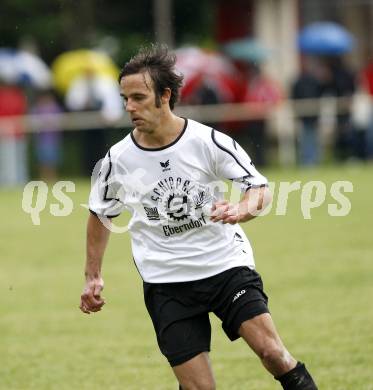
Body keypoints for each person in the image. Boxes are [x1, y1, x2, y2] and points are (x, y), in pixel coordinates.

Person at [79, 45, 317, 390]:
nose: (129, 107)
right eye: (124, 98)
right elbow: (100, 215)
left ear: (165, 95)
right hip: (166, 281)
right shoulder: (118, 159)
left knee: (273, 354)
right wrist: (92, 277)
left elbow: (260, 190)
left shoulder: (207, 141)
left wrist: (240, 209)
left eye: (138, 97)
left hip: (225, 267)